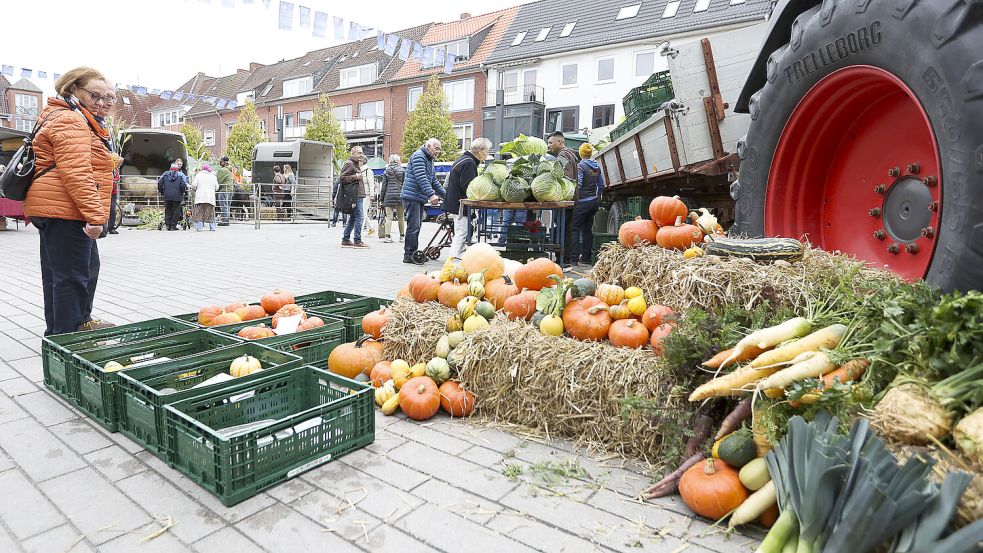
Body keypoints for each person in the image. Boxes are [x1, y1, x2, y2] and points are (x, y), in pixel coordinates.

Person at [24, 67, 116, 335]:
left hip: (57, 206)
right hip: (66, 208)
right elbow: (76, 172)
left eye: (107, 97)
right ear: (73, 89)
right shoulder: (71, 120)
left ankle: (71, 327)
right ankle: (65, 339)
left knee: (67, 273)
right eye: (94, 95)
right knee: (71, 279)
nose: (101, 102)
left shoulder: (65, 114)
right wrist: (95, 217)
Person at [401, 138, 446, 264]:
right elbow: (421, 178)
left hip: (418, 197)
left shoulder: (429, 160)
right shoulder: (418, 156)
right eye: (436, 148)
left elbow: (434, 181)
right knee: (413, 226)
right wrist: (431, 195)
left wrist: (446, 195)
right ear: (428, 146)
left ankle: (413, 253)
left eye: (440, 149)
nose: (438, 151)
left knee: (417, 226)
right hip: (412, 196)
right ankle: (408, 254)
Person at [445, 138, 491, 258]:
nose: (487, 154)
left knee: (461, 232)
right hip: (460, 205)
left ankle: (457, 258)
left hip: (455, 203)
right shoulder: (469, 163)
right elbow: (469, 186)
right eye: (487, 150)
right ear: (480, 151)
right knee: (461, 233)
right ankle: (454, 260)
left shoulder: (464, 160)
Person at [567, 143, 605, 267]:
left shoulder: (581, 166)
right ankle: (586, 258)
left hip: (582, 203)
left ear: (581, 153)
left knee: (574, 229)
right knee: (587, 230)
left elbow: (578, 185)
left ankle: (574, 259)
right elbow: (601, 185)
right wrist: (598, 197)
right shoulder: (596, 167)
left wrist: (574, 199)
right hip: (593, 202)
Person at [548, 131, 582, 268]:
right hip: (570, 200)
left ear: (560, 142)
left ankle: (563, 260)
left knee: (562, 230)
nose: (548, 145)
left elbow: (565, 177)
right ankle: (566, 259)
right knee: (567, 229)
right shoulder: (570, 154)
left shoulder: (563, 155)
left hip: (565, 201)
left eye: (551, 142)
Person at [338, 147, 369, 248]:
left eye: (362, 153)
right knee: (359, 217)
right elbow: (342, 178)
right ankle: (357, 241)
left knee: (353, 217)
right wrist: (355, 177)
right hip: (355, 195)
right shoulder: (349, 163)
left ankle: (346, 239)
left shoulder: (355, 163)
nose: (361, 155)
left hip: (357, 194)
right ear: (353, 153)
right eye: (359, 153)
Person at [379, 154, 405, 243]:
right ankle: (402, 237)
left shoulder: (386, 171)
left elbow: (384, 187)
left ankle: (387, 237)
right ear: (398, 161)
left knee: (389, 217)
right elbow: (405, 185)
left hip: (388, 196)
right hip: (400, 196)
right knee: (401, 217)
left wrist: (381, 199)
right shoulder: (403, 171)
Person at [158, 162, 187, 230]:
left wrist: (162, 191)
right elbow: (183, 184)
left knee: (168, 210)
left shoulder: (165, 174)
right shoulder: (180, 174)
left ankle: (168, 225)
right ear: (177, 169)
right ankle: (173, 226)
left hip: (167, 196)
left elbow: (159, 183)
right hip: (177, 196)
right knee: (176, 211)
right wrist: (182, 192)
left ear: (170, 168)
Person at [191, 163, 219, 231]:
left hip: (200, 197)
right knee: (210, 212)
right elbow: (217, 187)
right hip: (210, 197)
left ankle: (199, 227)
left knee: (199, 212)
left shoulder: (198, 175)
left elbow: (194, 185)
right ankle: (212, 227)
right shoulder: (213, 176)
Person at [215, 156, 234, 224]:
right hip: (230, 189)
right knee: (227, 205)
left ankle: (225, 220)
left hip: (224, 189)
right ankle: (226, 219)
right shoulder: (229, 169)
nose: (220, 162)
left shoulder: (223, 170)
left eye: (221, 161)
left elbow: (218, 181)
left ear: (225, 162)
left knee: (223, 205)